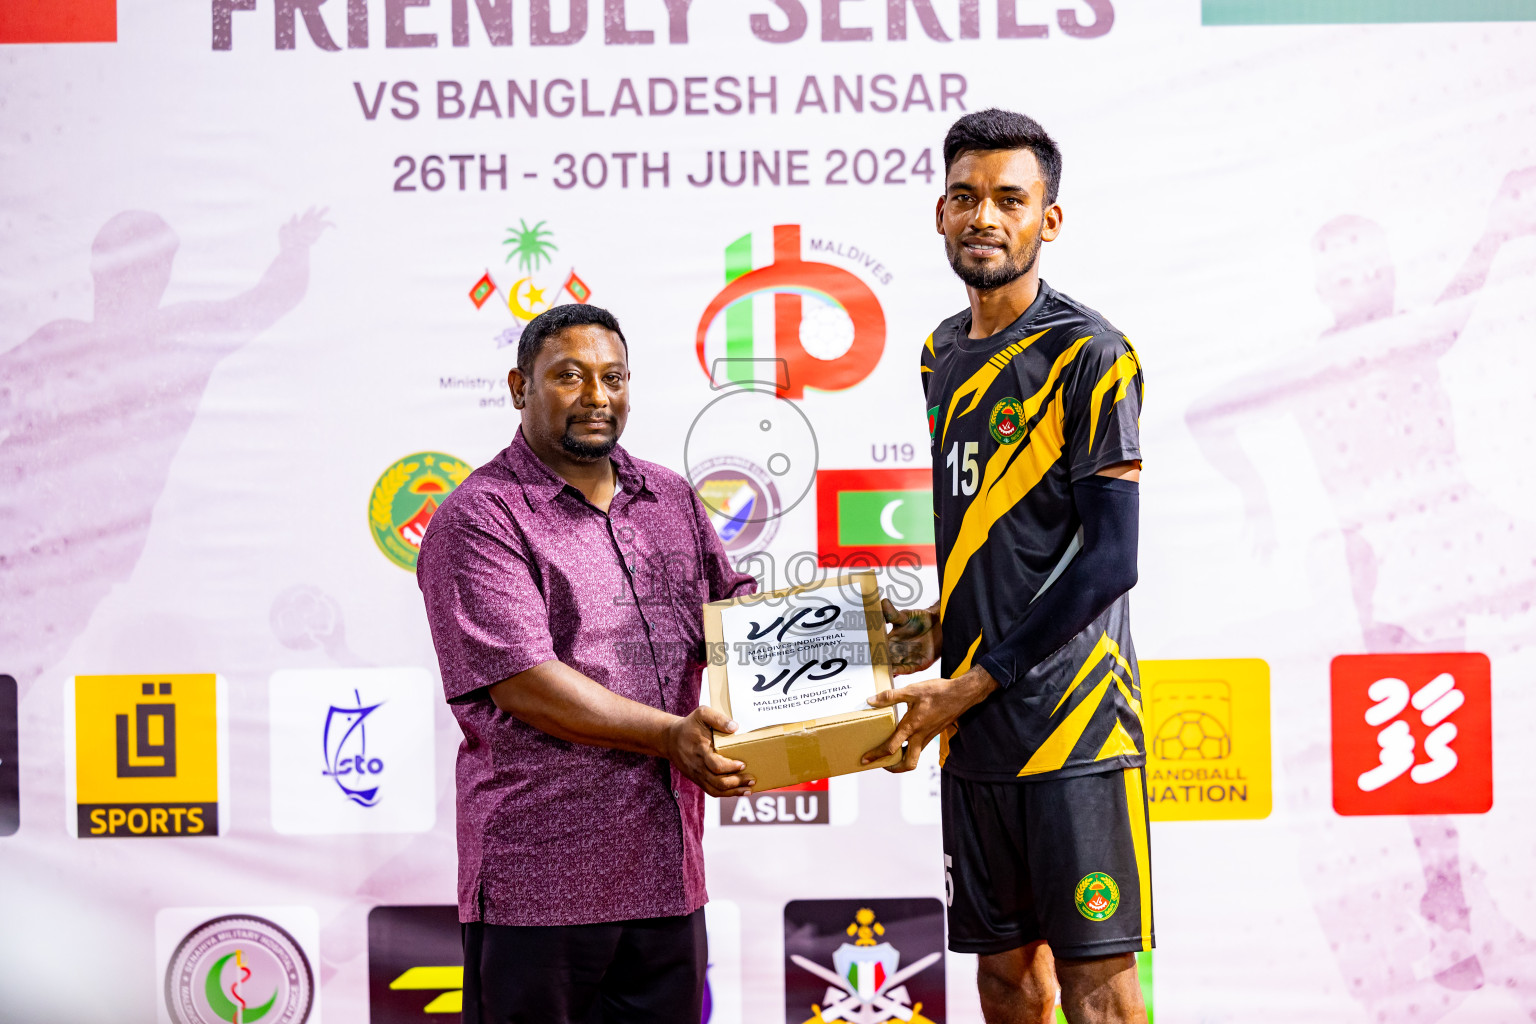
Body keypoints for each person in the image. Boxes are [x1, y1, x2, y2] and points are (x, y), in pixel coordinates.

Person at [865, 109, 1150, 1024]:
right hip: (975, 725)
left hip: (1075, 728)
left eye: (1010, 200)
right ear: (940, 215)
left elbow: (1111, 561)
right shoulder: (939, 352)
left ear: (1048, 221)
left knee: (1099, 990)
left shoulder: (1093, 355)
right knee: (1002, 980)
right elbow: (992, 531)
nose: (985, 216)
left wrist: (977, 677)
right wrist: (930, 638)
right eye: (966, 197)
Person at [415, 303, 757, 1024]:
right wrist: (672, 737)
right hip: (542, 885)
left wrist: (856, 655)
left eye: (613, 376)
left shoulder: (669, 497)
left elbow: (735, 620)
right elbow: (524, 682)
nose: (597, 396)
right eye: (569, 377)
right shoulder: (482, 517)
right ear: (519, 387)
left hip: (667, 877)